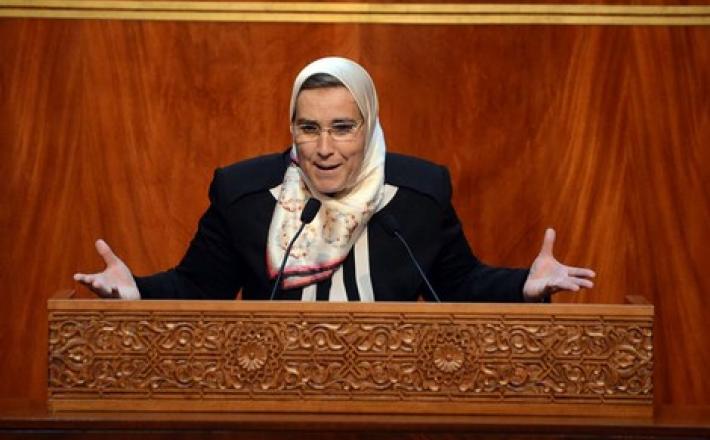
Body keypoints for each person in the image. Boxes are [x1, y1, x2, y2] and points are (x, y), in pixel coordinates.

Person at [74, 57, 595, 302]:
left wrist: (524, 284)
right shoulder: (246, 194)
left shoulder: (417, 194)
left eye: (343, 128)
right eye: (309, 128)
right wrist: (135, 289)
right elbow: (197, 287)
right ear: (292, 130)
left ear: (369, 127)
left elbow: (457, 285)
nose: (324, 148)